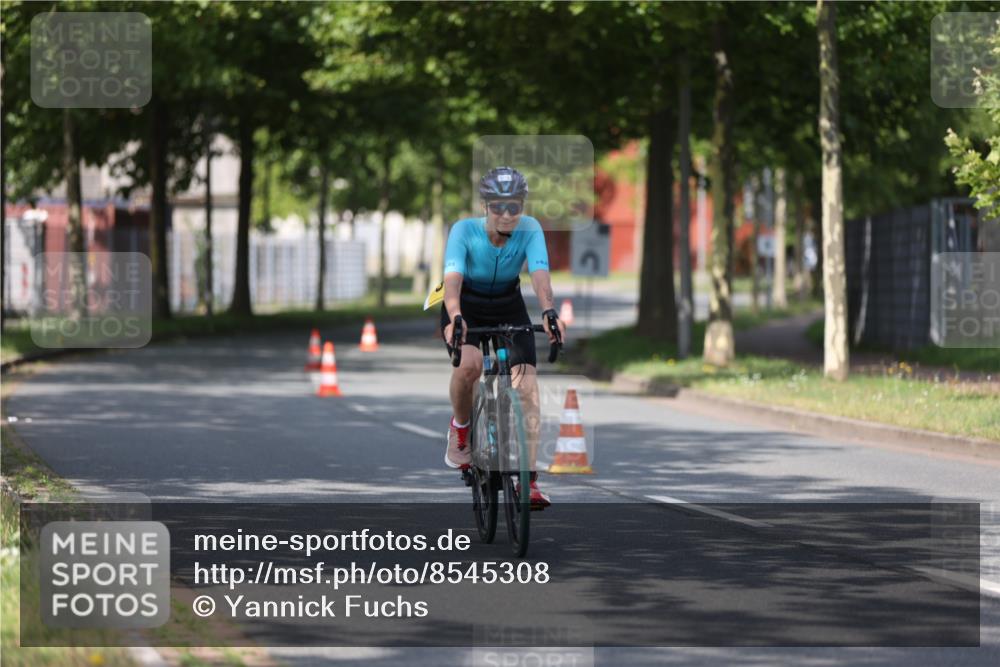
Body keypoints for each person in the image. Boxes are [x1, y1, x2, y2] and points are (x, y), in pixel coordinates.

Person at [440, 166, 566, 509]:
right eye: (499, 206)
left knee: (527, 386)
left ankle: (527, 481)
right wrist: (455, 318)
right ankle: (462, 428)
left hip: (508, 305)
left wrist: (549, 312)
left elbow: (540, 277)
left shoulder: (531, 229)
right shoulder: (463, 231)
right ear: (485, 206)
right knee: (469, 366)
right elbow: (451, 282)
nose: (507, 214)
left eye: (514, 206)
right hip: (466, 304)